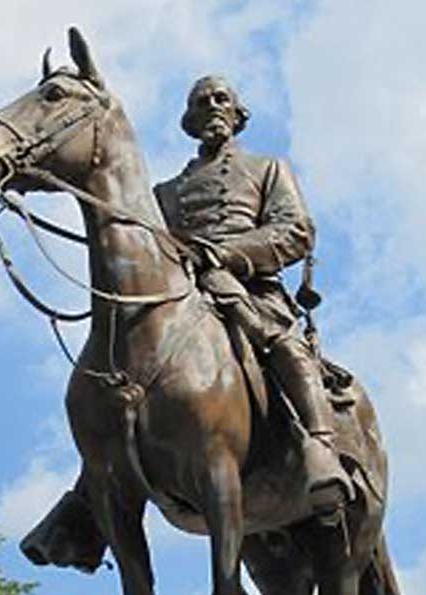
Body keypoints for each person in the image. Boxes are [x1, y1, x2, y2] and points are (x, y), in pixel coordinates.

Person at [154, 75, 353, 515]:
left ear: (237, 113)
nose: (212, 107)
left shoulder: (268, 169)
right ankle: (88, 500)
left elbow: (296, 231)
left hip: (249, 288)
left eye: (220, 99)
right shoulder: (164, 194)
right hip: (181, 295)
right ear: (190, 119)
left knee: (282, 345)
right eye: (201, 102)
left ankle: (321, 449)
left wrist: (225, 255)